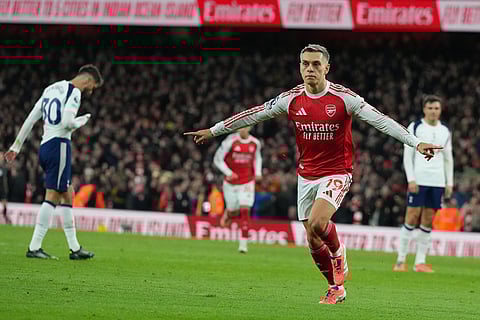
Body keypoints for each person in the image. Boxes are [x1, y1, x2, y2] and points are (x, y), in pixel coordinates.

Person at [185, 44, 442, 304]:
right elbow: (254, 115)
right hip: (306, 175)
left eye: (316, 64)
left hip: (337, 172)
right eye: (305, 64)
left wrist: (415, 142)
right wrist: (214, 130)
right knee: (311, 237)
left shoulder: (344, 98)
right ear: (300, 67)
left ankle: (339, 250)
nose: (310, 68)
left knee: (320, 223)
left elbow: (381, 120)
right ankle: (335, 288)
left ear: (327, 68)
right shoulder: (291, 99)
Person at [4, 64, 103, 260]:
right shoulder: (74, 92)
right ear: (89, 80)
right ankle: (34, 246)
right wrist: (82, 121)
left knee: (68, 193)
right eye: (92, 87)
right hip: (60, 146)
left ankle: (75, 249)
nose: (90, 91)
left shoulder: (50, 89)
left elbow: (31, 119)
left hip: (45, 146)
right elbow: (67, 123)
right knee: (53, 195)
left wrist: (16, 146)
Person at [394, 95, 454, 273]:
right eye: (430, 108)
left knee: (428, 220)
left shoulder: (445, 130)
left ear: (440, 110)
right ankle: (400, 260)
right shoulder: (416, 126)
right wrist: (411, 179)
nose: (433, 111)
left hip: (437, 181)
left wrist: (449, 182)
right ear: (424, 109)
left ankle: (420, 262)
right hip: (419, 179)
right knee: (411, 217)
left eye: (436, 108)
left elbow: (448, 158)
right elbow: (408, 155)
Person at [213, 127, 262, 253]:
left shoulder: (255, 143)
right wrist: (228, 172)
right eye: (240, 127)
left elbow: (257, 158)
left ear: (250, 127)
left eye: (245, 126)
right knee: (234, 211)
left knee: (245, 210)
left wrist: (258, 172)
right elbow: (217, 159)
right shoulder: (230, 141)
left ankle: (243, 245)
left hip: (247, 182)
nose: (242, 129)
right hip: (230, 183)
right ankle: (229, 212)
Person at [0, 152, 10, 224]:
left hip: (2, 189)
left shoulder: (4, 168)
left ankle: (5, 218)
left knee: (5, 205)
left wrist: (6, 188)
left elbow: (5, 179)